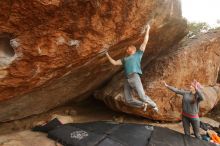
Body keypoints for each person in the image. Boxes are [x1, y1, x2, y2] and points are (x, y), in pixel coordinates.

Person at [105, 24, 158, 112]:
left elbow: (145, 42)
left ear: (133, 49)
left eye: (128, 48)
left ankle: (153, 105)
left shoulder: (138, 54)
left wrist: (148, 29)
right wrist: (107, 54)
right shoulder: (124, 59)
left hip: (135, 76)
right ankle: (143, 104)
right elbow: (114, 62)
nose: (127, 49)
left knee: (142, 96)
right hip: (127, 79)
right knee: (128, 99)